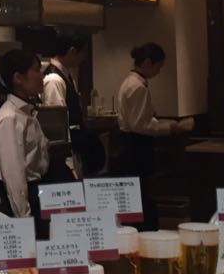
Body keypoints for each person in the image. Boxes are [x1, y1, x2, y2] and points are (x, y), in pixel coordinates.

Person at [113, 42, 193, 230]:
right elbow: (140, 125)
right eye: (159, 66)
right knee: (141, 192)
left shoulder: (131, 82)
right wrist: (171, 128)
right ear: (148, 62)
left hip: (129, 144)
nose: (159, 71)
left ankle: (140, 228)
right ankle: (144, 229)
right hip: (136, 146)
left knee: (138, 192)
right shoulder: (137, 87)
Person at [0, 49, 62, 220]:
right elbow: (14, 176)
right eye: (36, 70)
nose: (41, 75)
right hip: (25, 198)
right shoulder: (10, 118)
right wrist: (24, 219)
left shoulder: (25, 112)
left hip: (37, 190)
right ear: (18, 78)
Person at [42, 29, 104, 178]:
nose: (84, 58)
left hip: (75, 148)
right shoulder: (54, 80)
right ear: (72, 51)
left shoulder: (66, 76)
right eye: (83, 53)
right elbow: (58, 127)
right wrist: (69, 164)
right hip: (65, 155)